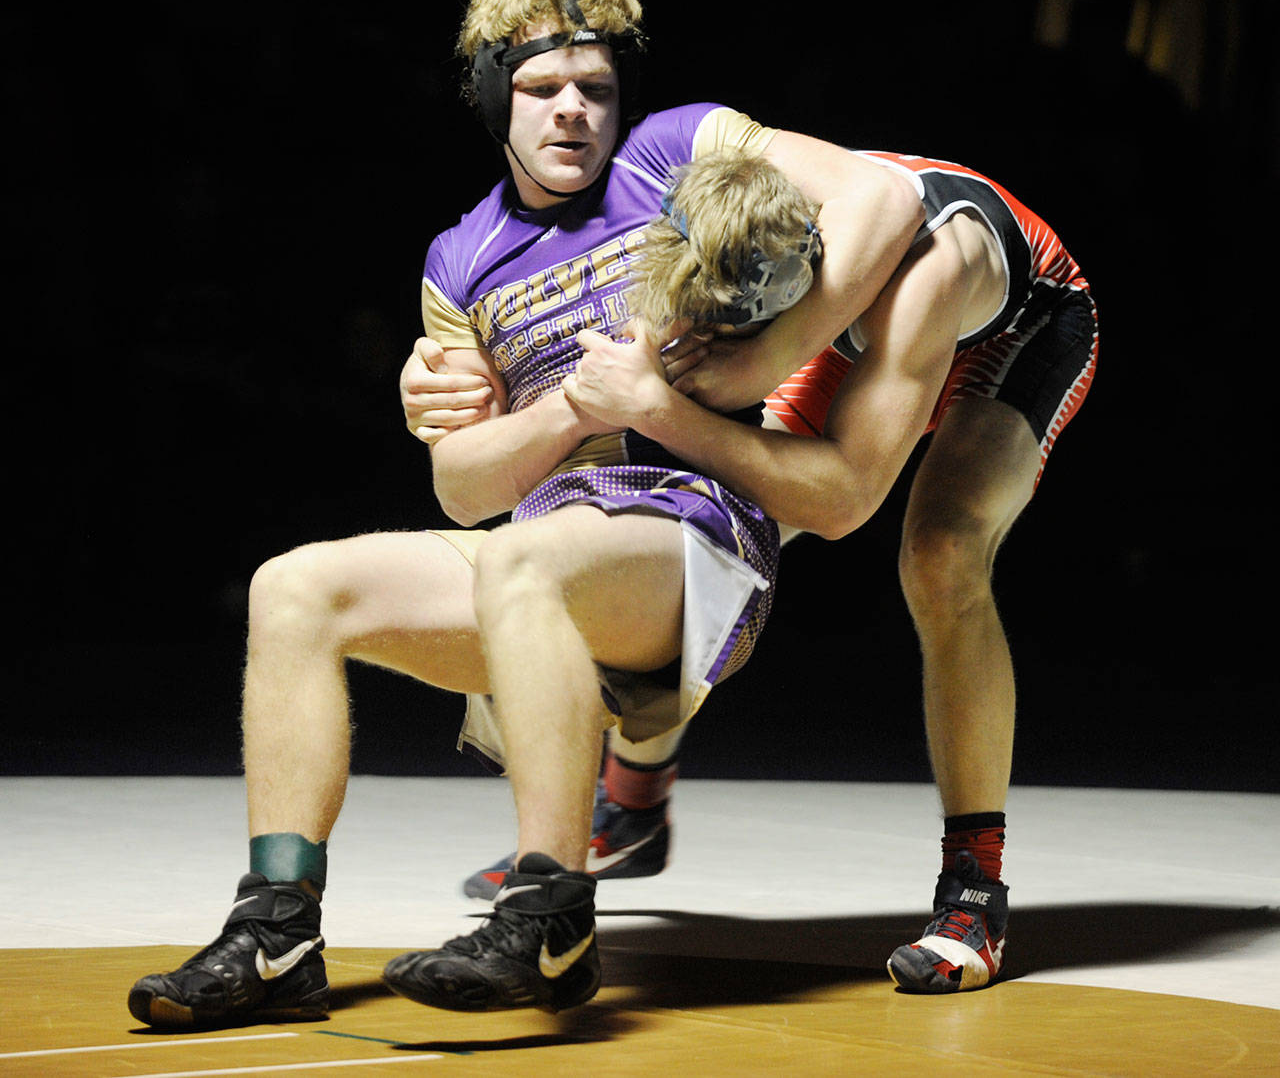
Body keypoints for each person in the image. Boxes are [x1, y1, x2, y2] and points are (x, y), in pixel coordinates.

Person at [127, 0, 922, 1028]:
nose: (572, 112)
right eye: (542, 88)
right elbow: (460, 484)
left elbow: (881, 194)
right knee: (294, 587)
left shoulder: (671, 149)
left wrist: (746, 365)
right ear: (493, 94)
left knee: (522, 558)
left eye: (593, 87)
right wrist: (572, 410)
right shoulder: (461, 257)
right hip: (543, 558)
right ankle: (279, 930)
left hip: (695, 541)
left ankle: (551, 911)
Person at [417, 138, 1097, 995]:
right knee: (692, 513)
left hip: (1012, 323)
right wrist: (438, 374)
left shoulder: (926, 270)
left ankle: (974, 886)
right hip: (830, 313)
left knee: (941, 552)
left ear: (791, 296)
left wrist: (678, 399)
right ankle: (633, 797)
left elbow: (846, 497)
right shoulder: (713, 199)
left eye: (733, 330)